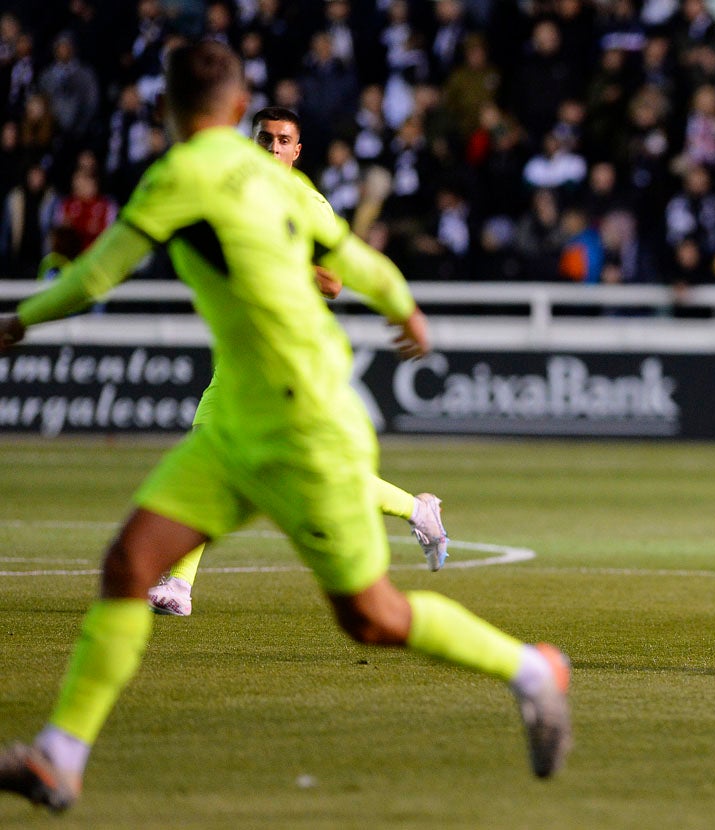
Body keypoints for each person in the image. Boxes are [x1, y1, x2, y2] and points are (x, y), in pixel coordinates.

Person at [0, 41, 571, 814]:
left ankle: (532, 670)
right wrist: (406, 308)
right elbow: (363, 267)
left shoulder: (181, 177)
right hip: (236, 423)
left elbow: (97, 276)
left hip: (302, 422)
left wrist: (21, 319)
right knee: (131, 564)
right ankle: (61, 758)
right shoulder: (285, 192)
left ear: (170, 112)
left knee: (372, 617)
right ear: (238, 114)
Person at [148, 105, 448, 619]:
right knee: (206, 452)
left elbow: (333, 282)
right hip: (241, 351)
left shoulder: (310, 204)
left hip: (291, 360)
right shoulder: (231, 194)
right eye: (263, 139)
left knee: (323, 476)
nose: (271, 149)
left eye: (282, 140)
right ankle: (179, 584)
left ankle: (418, 511)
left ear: (297, 150)